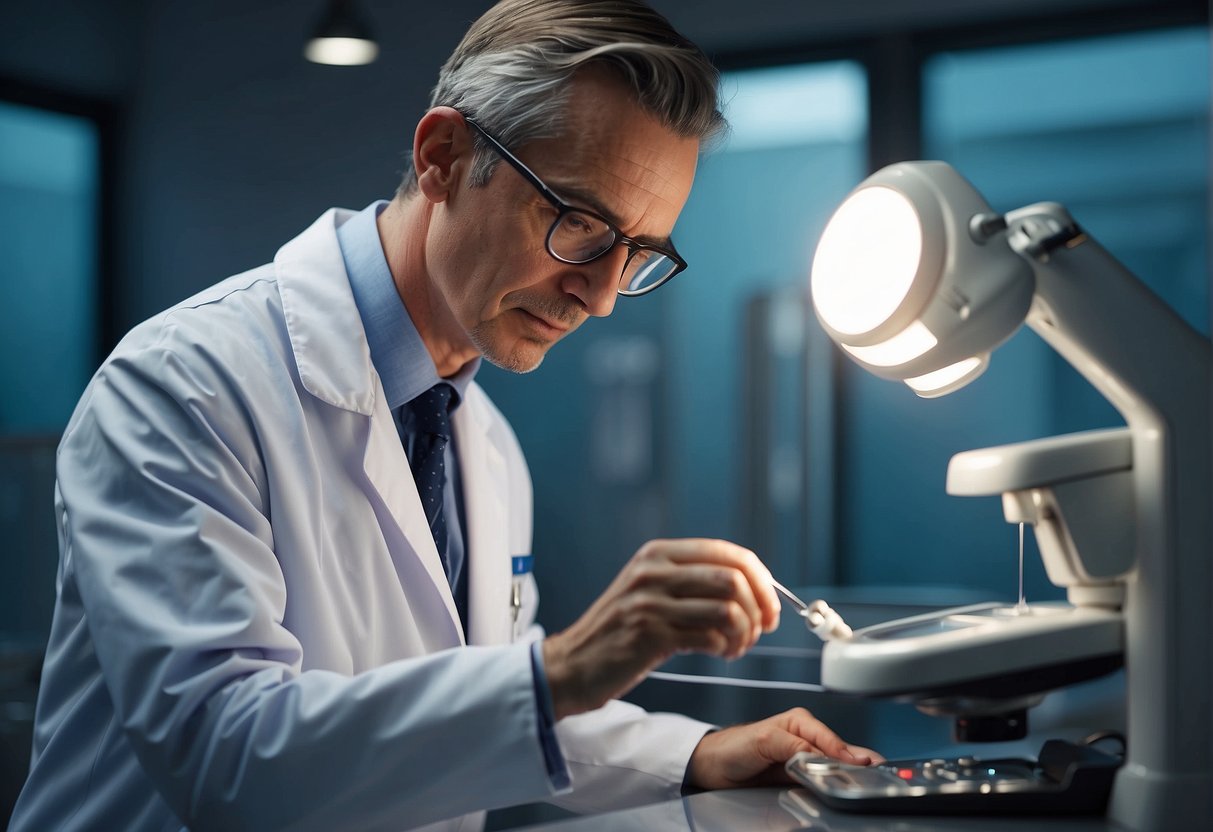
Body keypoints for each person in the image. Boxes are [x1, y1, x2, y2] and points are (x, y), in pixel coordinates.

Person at [10, 1, 880, 829]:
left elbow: (481, 700)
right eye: (578, 222)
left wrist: (694, 755)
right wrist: (564, 668)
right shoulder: (184, 385)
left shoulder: (480, 439)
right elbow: (227, 759)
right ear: (444, 157)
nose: (603, 295)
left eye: (639, 252)